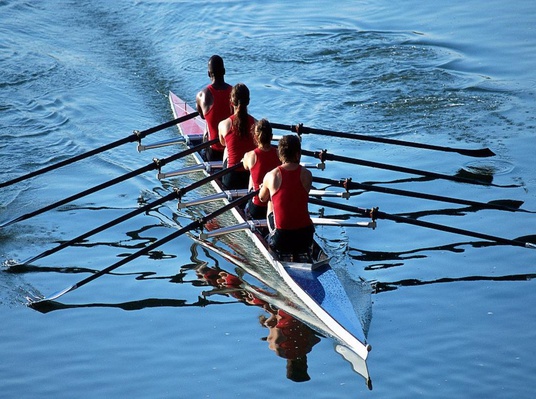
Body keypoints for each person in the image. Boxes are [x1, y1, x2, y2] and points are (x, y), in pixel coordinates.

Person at [258, 135, 315, 255]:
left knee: (270, 201)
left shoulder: (271, 176)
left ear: (280, 154)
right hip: (305, 237)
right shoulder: (307, 175)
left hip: (282, 239)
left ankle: (273, 239)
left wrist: (264, 187)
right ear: (298, 154)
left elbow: (262, 198)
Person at [218, 83, 256, 190]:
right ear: (248, 101)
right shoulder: (256, 124)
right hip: (249, 177)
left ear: (231, 101)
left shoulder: (223, 125)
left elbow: (222, 143)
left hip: (231, 178)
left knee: (226, 149)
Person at [196, 55, 233, 161]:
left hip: (213, 153)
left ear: (208, 74)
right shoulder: (235, 92)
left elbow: (202, 116)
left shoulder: (201, 96)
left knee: (207, 125)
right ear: (224, 71)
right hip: (232, 151)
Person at [243, 119, 281, 220]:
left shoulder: (249, 155)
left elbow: (245, 167)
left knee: (251, 174)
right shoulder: (280, 154)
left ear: (255, 137)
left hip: (257, 206)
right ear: (271, 137)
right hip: (275, 205)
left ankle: (247, 211)